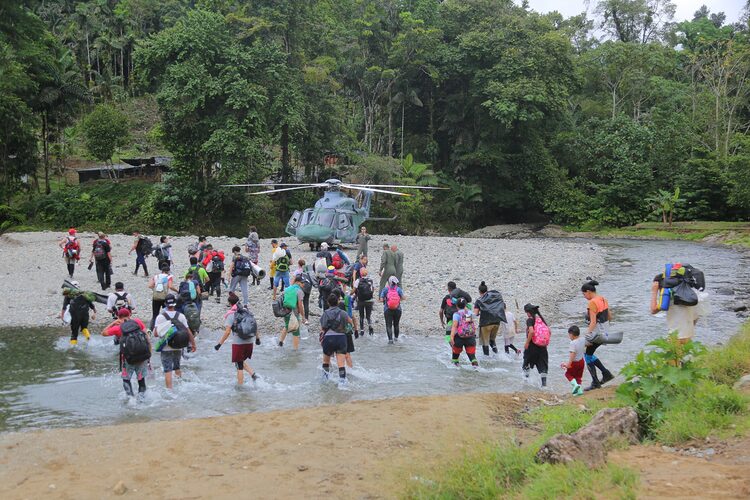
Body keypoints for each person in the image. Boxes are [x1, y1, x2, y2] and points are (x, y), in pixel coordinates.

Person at [102, 308, 150, 398]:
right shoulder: (138, 322)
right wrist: (148, 354)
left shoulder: (118, 328)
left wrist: (113, 323)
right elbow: (147, 337)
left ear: (118, 317)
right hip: (143, 355)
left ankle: (131, 400)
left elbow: (103, 333)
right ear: (130, 315)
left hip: (127, 358)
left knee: (126, 380)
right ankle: (142, 400)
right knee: (141, 380)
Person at [214, 293, 260, 385]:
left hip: (238, 344)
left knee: (239, 366)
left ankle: (240, 389)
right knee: (240, 361)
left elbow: (227, 332)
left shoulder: (231, 315)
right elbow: (254, 325)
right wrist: (257, 339)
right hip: (250, 342)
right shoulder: (247, 312)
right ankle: (253, 375)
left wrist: (219, 344)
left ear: (230, 304)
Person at [153, 294, 196, 389]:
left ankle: (170, 391)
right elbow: (188, 332)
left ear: (165, 304)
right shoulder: (181, 316)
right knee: (177, 367)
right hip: (178, 346)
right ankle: (180, 386)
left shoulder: (160, 317)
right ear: (175, 304)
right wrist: (193, 344)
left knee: (167, 370)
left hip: (166, 347)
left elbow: (156, 334)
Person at [581, 280, 614, 391]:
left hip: (597, 333)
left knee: (587, 355)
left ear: (589, 291)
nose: (584, 296)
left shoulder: (592, 303)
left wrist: (587, 335)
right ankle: (606, 374)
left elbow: (593, 322)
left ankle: (596, 382)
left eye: (584, 294)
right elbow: (610, 316)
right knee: (589, 354)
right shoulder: (603, 299)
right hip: (605, 332)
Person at [319, 294, 353, 384]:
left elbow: (322, 327)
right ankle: (342, 383)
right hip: (341, 338)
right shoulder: (343, 313)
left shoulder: (325, 313)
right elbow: (351, 322)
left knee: (326, 361)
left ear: (328, 302)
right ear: (338, 301)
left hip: (328, 339)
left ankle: (325, 381)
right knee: (341, 363)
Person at [473, 282, 506, 356]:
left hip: (485, 324)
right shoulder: (495, 297)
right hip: (497, 322)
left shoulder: (479, 300)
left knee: (485, 342)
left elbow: (475, 313)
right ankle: (497, 354)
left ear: (479, 291)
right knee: (492, 340)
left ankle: (487, 358)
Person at [522, 304, 550, 387]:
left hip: (532, 347)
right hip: (542, 347)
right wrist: (544, 342)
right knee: (543, 366)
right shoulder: (541, 319)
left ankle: (525, 383)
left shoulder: (530, 320)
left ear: (528, 312)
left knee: (526, 364)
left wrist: (527, 342)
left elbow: (531, 331)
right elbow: (549, 331)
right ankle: (544, 385)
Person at [449, 297, 478, 368]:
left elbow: (454, 326)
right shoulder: (470, 313)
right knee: (472, 357)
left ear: (456, 306)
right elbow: (471, 324)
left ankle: (455, 369)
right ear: (465, 305)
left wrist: (451, 337)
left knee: (455, 356)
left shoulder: (456, 314)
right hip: (470, 337)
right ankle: (476, 368)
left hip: (459, 338)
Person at [148, 263, 178, 330]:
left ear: (161, 271)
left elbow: (150, 285)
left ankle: (151, 329)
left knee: (155, 314)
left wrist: (156, 288)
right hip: (165, 298)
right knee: (167, 313)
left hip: (156, 297)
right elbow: (170, 286)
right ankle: (168, 327)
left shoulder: (156, 276)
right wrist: (177, 291)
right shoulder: (169, 277)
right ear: (168, 271)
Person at [278, 275, 305, 349]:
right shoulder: (299, 291)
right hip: (294, 312)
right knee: (296, 330)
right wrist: (303, 316)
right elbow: (300, 305)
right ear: (298, 282)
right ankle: (295, 351)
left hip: (286, 311)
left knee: (287, 326)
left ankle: (280, 342)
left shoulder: (287, 288)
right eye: (302, 283)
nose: (303, 284)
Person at [379, 276, 404, 344]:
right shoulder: (398, 289)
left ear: (389, 282)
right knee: (396, 324)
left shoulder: (385, 289)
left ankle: (390, 341)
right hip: (398, 309)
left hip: (388, 309)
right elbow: (403, 298)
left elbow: (381, 299)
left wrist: (386, 300)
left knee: (388, 325)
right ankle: (396, 339)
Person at [562, 325, 585, 396]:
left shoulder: (573, 343)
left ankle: (575, 385)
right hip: (582, 361)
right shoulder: (582, 339)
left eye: (569, 335)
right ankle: (580, 391)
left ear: (572, 334)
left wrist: (568, 364)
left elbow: (572, 354)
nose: (569, 337)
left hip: (575, 362)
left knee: (568, 374)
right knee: (578, 377)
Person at [353, 267, 375, 336]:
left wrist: (350, 295)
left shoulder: (358, 281)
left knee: (361, 316)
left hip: (361, 301)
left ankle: (362, 330)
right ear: (367, 273)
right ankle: (370, 326)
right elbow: (372, 290)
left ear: (360, 273)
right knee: (368, 315)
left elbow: (354, 290)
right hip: (369, 301)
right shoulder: (370, 280)